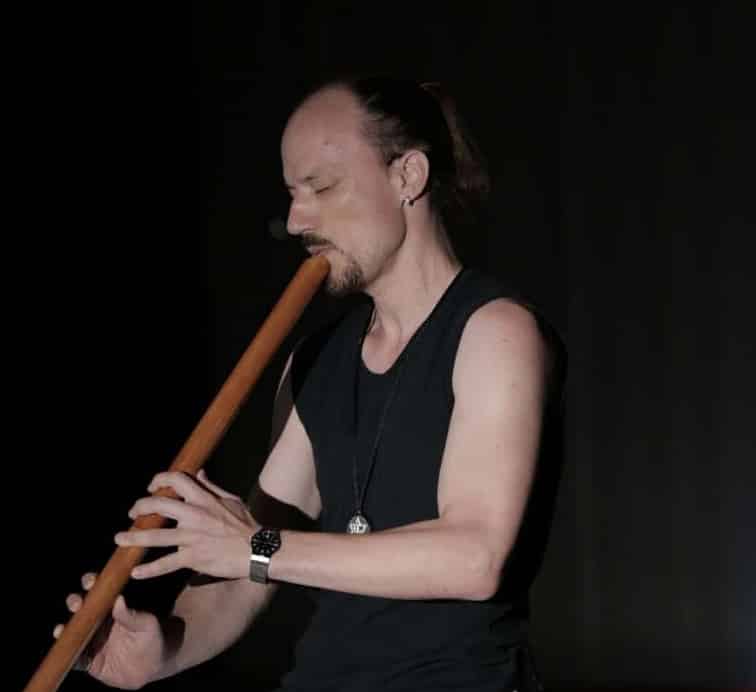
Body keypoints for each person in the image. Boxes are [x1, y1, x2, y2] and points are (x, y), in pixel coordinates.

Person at [56, 75, 566, 691]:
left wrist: (256, 546)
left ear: (407, 176)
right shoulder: (317, 359)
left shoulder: (494, 332)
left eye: (321, 188)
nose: (298, 221)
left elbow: (474, 558)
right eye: (292, 194)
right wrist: (160, 652)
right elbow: (245, 580)